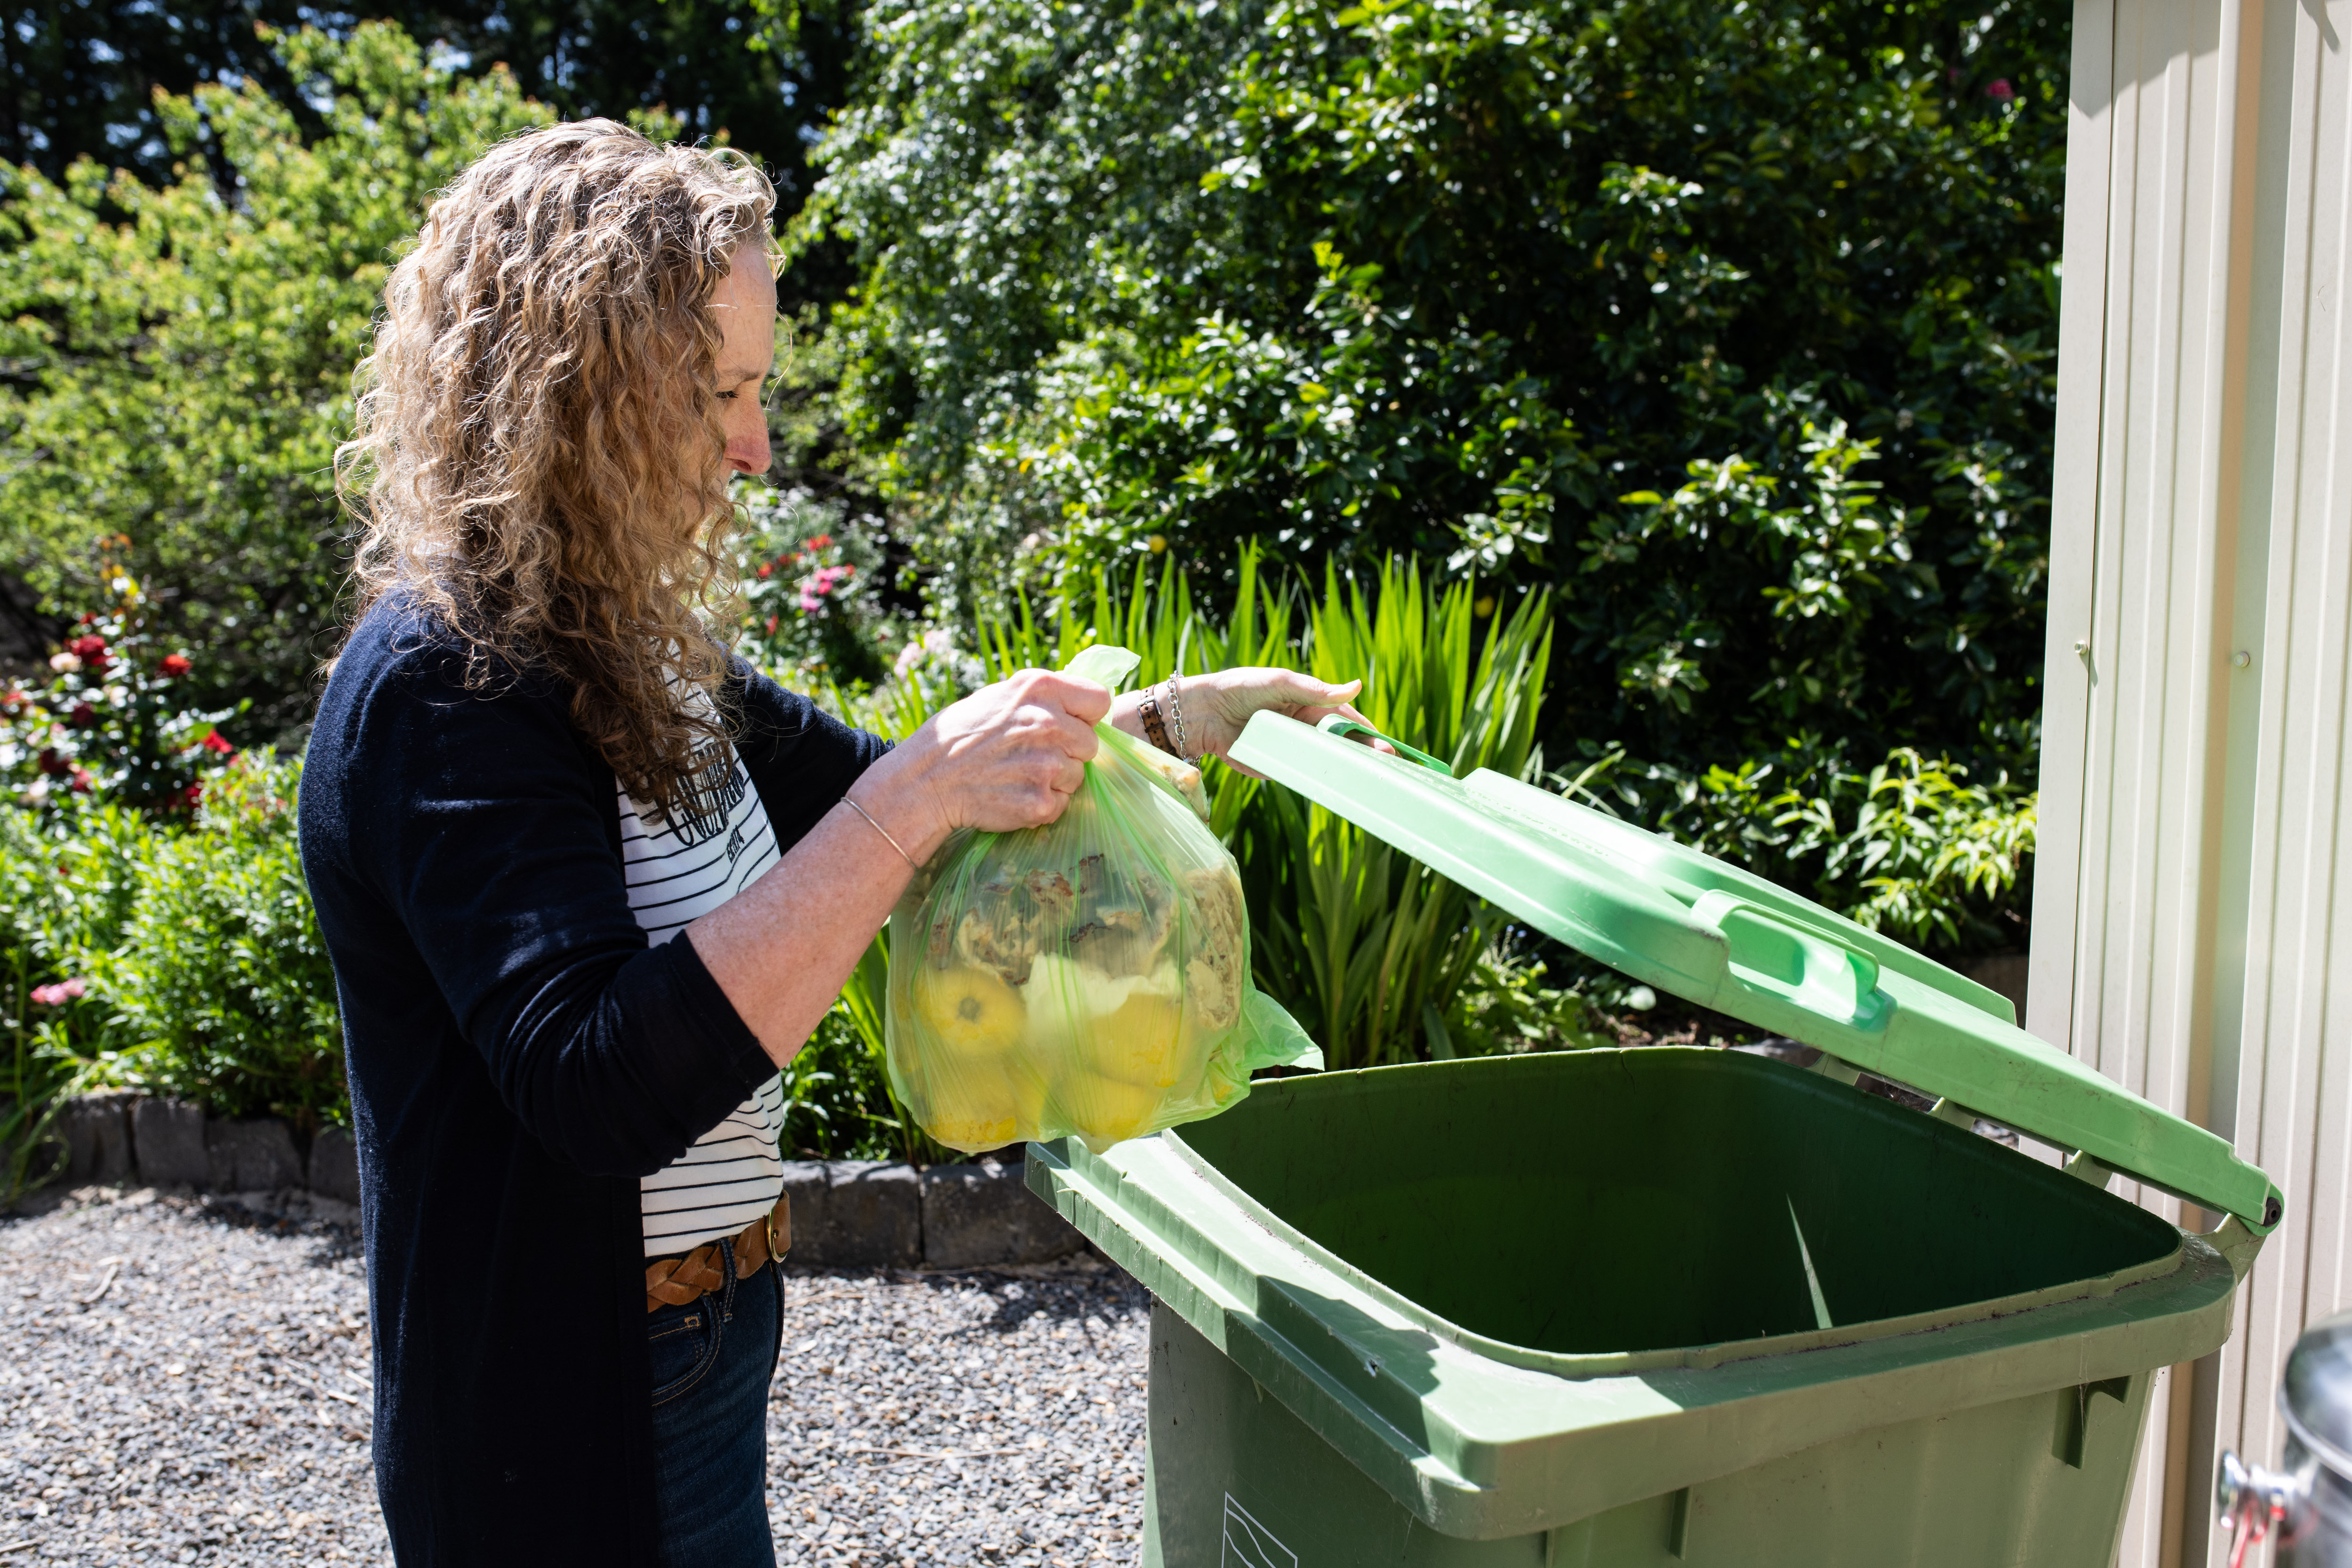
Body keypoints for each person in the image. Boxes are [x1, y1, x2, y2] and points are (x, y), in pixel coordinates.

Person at [299, 119, 1378, 1567]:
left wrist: (1178, 722)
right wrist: (906, 805)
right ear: (574, 394)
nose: (755, 445)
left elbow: (920, 814)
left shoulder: (626, 650)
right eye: (715, 392)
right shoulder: (449, 686)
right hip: (557, 1410)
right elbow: (594, 1082)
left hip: (703, 1333)